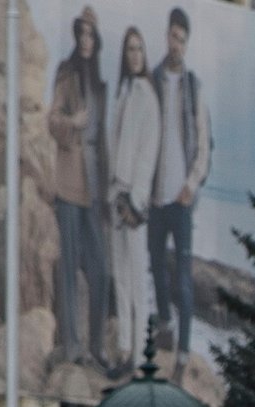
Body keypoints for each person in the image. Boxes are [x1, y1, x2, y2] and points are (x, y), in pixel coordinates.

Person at [45, 8, 110, 370]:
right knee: (69, 266)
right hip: (69, 182)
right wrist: (73, 122)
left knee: (100, 268)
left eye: (91, 35)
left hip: (94, 188)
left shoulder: (100, 84)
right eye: (81, 34)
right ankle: (71, 344)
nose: (86, 40)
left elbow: (103, 141)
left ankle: (97, 345)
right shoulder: (66, 74)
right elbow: (52, 120)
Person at [147, 6, 209, 360]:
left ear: (187, 44)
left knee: (182, 276)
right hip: (156, 195)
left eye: (182, 40)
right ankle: (165, 329)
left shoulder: (193, 86)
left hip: (181, 197)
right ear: (166, 36)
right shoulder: (153, 80)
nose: (176, 45)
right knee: (156, 265)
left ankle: (185, 350)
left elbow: (203, 141)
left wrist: (192, 183)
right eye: (173, 36)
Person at [104, 25, 158, 376]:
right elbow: (115, 143)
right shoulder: (122, 92)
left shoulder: (147, 97)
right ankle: (125, 349)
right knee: (120, 277)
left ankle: (141, 356)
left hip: (134, 198)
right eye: (129, 49)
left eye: (139, 49)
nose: (134, 55)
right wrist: (114, 193)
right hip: (116, 191)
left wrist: (135, 200)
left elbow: (146, 153)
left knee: (137, 281)